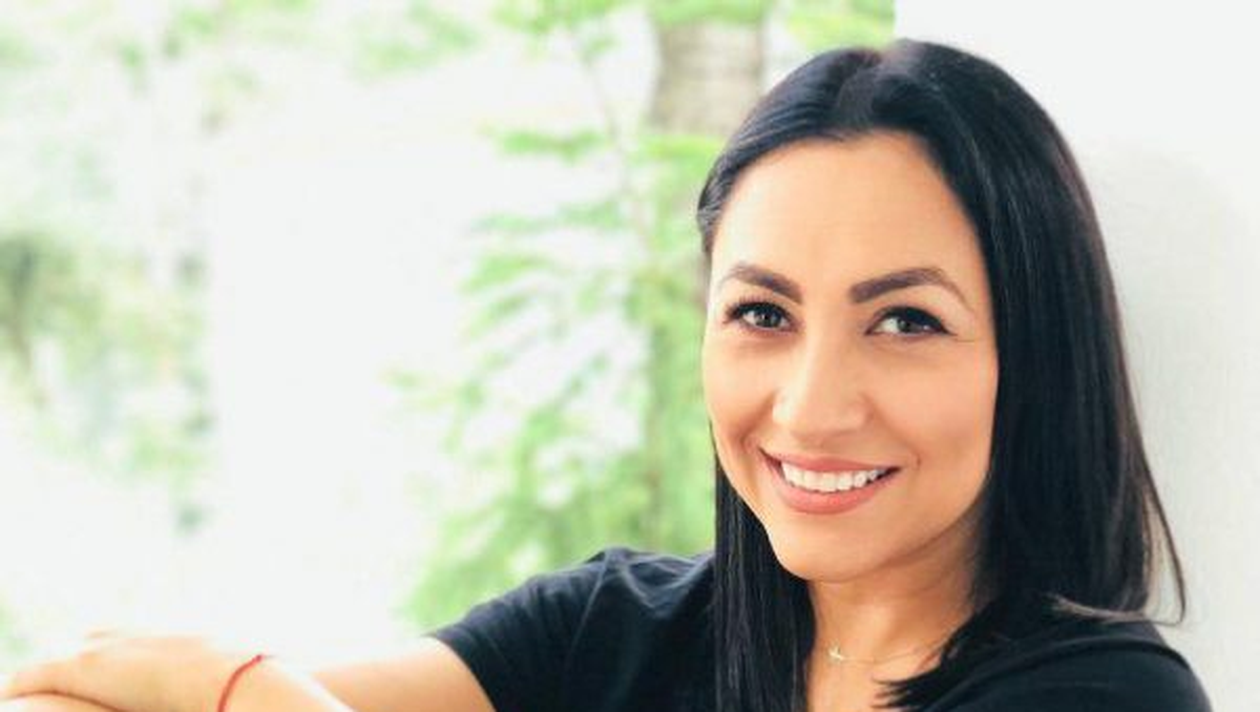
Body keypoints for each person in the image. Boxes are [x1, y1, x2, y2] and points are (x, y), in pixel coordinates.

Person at [0, 38, 1213, 712]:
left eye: (904, 321)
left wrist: (243, 689)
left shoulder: (1108, 697)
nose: (810, 405)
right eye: (762, 313)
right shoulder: (613, 633)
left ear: (1031, 356)